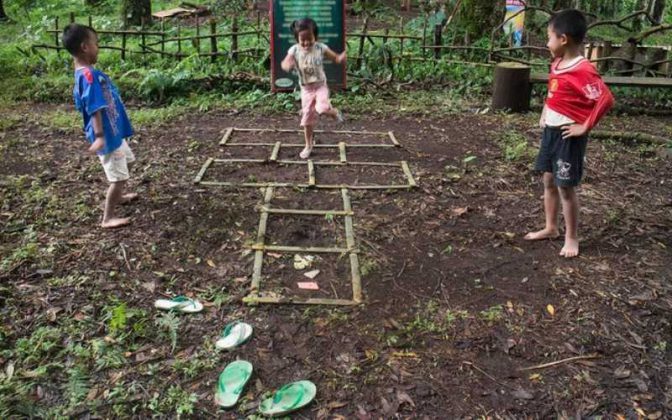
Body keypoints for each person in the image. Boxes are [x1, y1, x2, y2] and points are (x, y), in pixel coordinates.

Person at [525, 9, 614, 258]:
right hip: (551, 133)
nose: (546, 43)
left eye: (549, 37)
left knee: (566, 187)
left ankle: (571, 237)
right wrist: (545, 110)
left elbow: (605, 98)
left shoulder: (582, 69)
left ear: (563, 39)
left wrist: (585, 126)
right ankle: (551, 227)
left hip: (568, 138)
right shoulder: (558, 63)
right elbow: (554, 90)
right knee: (548, 181)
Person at [63, 23, 137, 228]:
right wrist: (100, 135)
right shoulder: (89, 76)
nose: (98, 48)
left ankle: (119, 196)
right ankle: (107, 218)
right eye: (96, 44)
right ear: (85, 47)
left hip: (113, 133)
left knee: (129, 161)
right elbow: (94, 107)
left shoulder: (84, 72)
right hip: (107, 137)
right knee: (118, 178)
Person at [281, 17, 346, 159]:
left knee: (322, 108)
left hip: (320, 86)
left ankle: (334, 112)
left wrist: (340, 58)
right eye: (302, 40)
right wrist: (287, 64)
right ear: (297, 39)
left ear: (315, 36)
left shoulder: (320, 47)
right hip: (306, 89)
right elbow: (286, 61)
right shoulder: (294, 50)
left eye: (309, 38)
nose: (306, 43)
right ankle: (308, 145)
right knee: (307, 118)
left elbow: (334, 57)